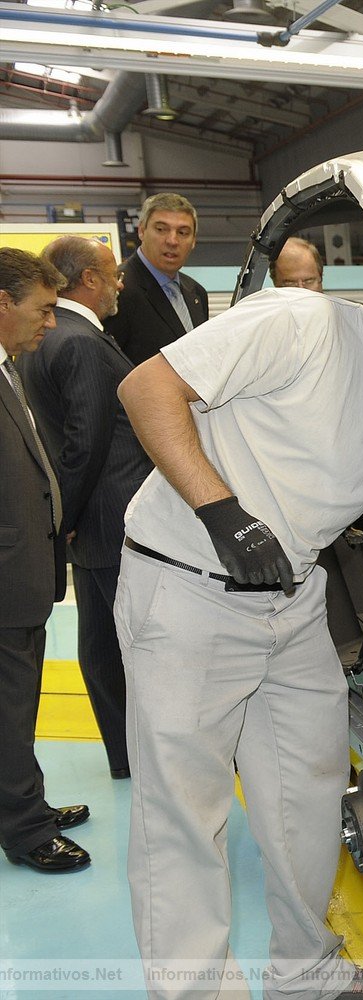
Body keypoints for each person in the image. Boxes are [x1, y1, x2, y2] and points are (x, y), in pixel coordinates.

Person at [115, 288, 363, 1000]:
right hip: (189, 587)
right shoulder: (303, 324)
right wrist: (222, 511)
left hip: (292, 596)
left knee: (308, 789)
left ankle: (304, 973)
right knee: (184, 813)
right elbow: (146, 387)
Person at [22, 236, 149, 781]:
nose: (121, 283)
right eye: (113, 273)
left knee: (100, 646)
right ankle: (141, 758)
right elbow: (87, 442)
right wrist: (65, 522)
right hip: (109, 520)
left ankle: (127, 758)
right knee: (130, 648)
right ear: (90, 280)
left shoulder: (55, 339)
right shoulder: (78, 343)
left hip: (89, 521)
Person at [0, 247, 92, 874]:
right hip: (7, 580)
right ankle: (25, 829)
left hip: (24, 573)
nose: (50, 322)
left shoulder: (10, 368)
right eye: (43, 309)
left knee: (17, 702)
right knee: (8, 706)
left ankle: (21, 802)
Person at [105, 193, 209, 366]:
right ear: (141, 231)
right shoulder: (117, 289)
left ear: (193, 241)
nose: (172, 241)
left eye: (183, 232)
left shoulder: (197, 293)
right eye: (161, 229)